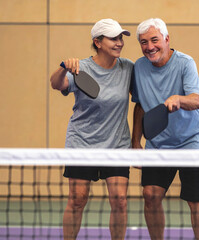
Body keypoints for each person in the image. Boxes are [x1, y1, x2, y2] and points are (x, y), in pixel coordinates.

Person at [50, 19, 134, 240]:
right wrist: (62, 67)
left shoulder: (128, 68)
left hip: (116, 144)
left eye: (121, 38)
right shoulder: (81, 68)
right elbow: (56, 84)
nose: (119, 43)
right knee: (77, 199)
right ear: (97, 42)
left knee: (120, 201)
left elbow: (144, 97)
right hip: (82, 143)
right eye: (113, 38)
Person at [131, 18, 199, 240]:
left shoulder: (186, 63)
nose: (149, 47)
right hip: (158, 143)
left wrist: (178, 99)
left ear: (167, 39)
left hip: (191, 140)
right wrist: (135, 142)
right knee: (150, 195)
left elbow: (196, 100)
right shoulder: (139, 67)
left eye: (154, 40)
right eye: (144, 42)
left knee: (196, 199)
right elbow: (139, 105)